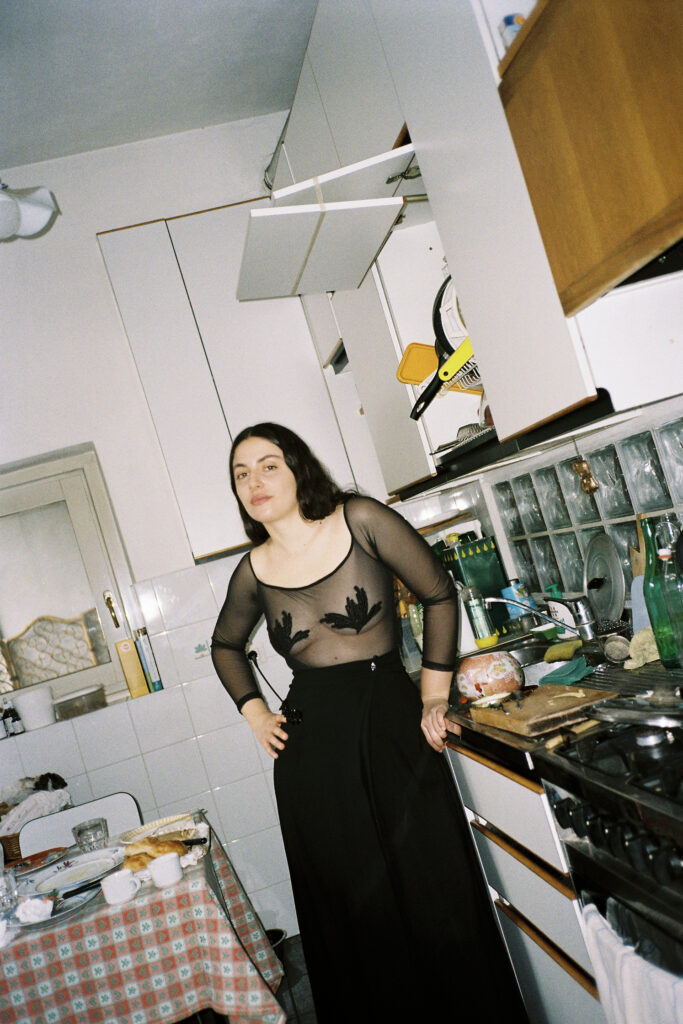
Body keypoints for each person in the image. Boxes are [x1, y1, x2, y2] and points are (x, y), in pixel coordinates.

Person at [212, 423, 529, 1023]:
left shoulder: (358, 519)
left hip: (390, 726)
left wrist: (433, 696)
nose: (254, 482)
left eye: (269, 465)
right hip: (312, 757)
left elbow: (439, 593)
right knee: (356, 914)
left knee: (432, 887)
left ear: (299, 468)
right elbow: (225, 646)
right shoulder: (253, 570)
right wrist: (255, 712)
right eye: (241, 474)